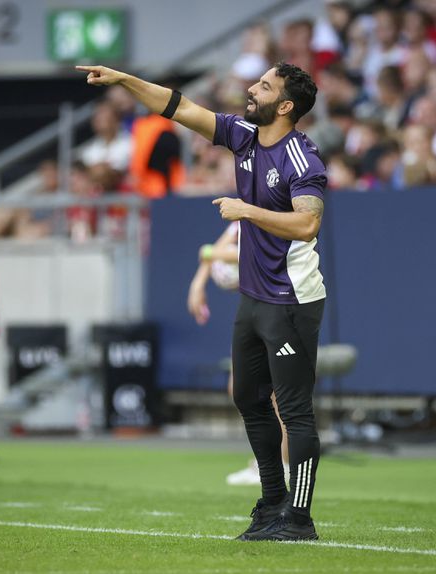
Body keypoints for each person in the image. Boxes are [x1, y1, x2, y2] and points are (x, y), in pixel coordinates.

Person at [77, 61, 327, 541]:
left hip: (292, 298)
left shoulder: (303, 157)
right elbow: (180, 106)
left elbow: (308, 224)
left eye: (264, 86)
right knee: (247, 397)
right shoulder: (244, 136)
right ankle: (272, 503)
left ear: (287, 105)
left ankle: (300, 519)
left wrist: (245, 211)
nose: (252, 90)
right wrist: (126, 81)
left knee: (294, 410)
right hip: (255, 296)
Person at [186, 223, 290, 486]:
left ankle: (284, 465)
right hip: (252, 310)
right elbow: (210, 254)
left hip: (280, 307)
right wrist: (197, 284)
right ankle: (267, 464)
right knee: (242, 389)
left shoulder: (269, 216)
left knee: (278, 396)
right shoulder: (238, 221)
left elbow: (234, 253)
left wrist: (211, 251)